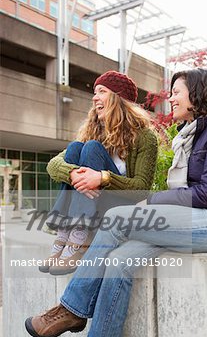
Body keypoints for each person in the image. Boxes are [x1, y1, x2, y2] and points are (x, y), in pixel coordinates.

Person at [25, 68, 207, 337]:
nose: (170, 98)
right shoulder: (191, 133)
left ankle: (72, 308)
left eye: (177, 92)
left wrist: (150, 203)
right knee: (119, 261)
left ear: (198, 95)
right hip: (192, 218)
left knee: (117, 219)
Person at [39, 70, 158, 275]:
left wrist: (102, 178)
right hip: (93, 205)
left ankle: (81, 237)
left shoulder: (144, 137)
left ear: (118, 98)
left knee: (92, 148)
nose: (94, 98)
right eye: (95, 92)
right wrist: (74, 174)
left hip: (120, 208)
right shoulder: (93, 130)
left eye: (101, 91)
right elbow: (53, 164)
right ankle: (65, 232)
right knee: (77, 148)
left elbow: (141, 188)